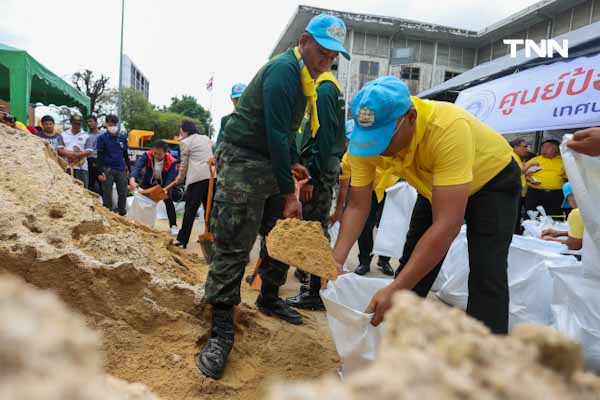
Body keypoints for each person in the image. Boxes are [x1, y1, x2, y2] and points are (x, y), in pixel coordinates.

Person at [197, 13, 350, 380]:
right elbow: (278, 134)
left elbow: (283, 139)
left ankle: (268, 297)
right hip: (245, 159)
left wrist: (293, 165)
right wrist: (289, 193)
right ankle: (221, 329)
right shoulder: (284, 72)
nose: (325, 62)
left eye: (332, 57)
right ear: (303, 43)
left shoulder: (305, 79)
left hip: (268, 158)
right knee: (234, 244)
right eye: (322, 52)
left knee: (280, 233)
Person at [332, 76, 520, 334]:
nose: (378, 149)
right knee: (411, 264)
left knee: (487, 270)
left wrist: (396, 290)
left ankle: (487, 357)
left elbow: (447, 225)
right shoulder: (364, 144)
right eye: (370, 139)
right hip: (433, 185)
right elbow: (356, 206)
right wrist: (335, 261)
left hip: (491, 180)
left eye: (384, 138)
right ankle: (401, 340)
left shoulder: (447, 128)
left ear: (410, 117)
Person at [285, 68, 347, 311]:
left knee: (314, 229)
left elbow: (322, 134)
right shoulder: (331, 87)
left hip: (318, 169)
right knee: (316, 227)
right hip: (323, 166)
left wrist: (311, 176)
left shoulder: (324, 89)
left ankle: (314, 292)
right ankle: (313, 287)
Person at [331, 122, 399, 276]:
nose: (350, 143)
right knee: (365, 225)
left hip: (391, 187)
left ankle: (384, 259)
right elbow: (344, 185)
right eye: (348, 140)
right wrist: (339, 210)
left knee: (388, 224)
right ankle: (364, 260)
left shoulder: (381, 145)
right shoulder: (349, 157)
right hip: (368, 189)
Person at [173, 120, 213, 247]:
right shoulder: (205, 138)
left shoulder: (185, 142)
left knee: (190, 209)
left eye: (181, 132)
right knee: (209, 209)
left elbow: (184, 164)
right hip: (211, 176)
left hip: (197, 179)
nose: (181, 135)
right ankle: (211, 236)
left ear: (185, 131)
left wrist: (179, 178)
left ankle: (182, 239)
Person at [130, 140, 179, 235]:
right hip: (148, 182)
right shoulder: (147, 155)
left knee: (169, 202)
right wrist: (132, 179)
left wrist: (165, 190)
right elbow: (137, 167)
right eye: (155, 153)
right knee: (139, 197)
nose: (156, 156)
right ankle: (136, 221)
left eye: (159, 154)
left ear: (165, 152)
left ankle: (173, 225)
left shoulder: (171, 161)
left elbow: (171, 177)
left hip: (164, 184)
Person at [97, 114, 130, 216]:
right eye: (110, 124)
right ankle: (108, 214)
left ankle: (122, 213)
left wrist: (129, 168)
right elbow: (99, 156)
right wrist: (100, 172)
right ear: (106, 124)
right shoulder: (102, 138)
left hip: (120, 168)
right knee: (107, 193)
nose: (112, 127)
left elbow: (125, 154)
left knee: (123, 192)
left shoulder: (122, 138)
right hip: (107, 169)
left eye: (114, 124)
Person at [524, 139, 566, 218]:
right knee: (532, 215)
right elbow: (524, 173)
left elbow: (569, 178)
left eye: (548, 147)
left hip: (556, 194)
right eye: (543, 147)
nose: (544, 149)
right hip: (535, 192)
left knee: (553, 216)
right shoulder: (535, 160)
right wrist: (529, 179)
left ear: (556, 149)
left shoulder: (563, 161)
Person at [541, 183, 584, 251]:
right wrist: (559, 233)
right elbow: (584, 233)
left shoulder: (577, 213)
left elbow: (574, 245)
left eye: (568, 199)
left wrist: (552, 240)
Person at [61, 115, 93, 188]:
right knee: (67, 189)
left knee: (83, 189)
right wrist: (69, 154)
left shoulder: (86, 135)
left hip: (81, 167)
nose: (77, 125)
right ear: (71, 123)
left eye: (79, 124)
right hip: (67, 166)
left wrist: (76, 155)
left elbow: (89, 150)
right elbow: (59, 149)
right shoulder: (63, 135)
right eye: (75, 123)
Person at [215, 83, 247, 151]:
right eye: (237, 98)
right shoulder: (225, 120)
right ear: (231, 98)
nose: (239, 101)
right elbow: (218, 145)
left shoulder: (257, 118)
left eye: (243, 97)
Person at [510, 138, 531, 234]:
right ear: (516, 147)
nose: (527, 149)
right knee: (514, 217)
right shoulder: (512, 156)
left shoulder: (517, 158)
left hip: (519, 193)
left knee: (517, 217)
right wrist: (530, 165)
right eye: (525, 147)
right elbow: (516, 172)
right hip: (513, 193)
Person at [86, 115, 104, 195]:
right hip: (88, 160)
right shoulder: (86, 135)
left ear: (96, 123)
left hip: (100, 161)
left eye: (91, 121)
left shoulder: (103, 135)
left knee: (102, 185)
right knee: (90, 184)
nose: (89, 124)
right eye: (87, 122)